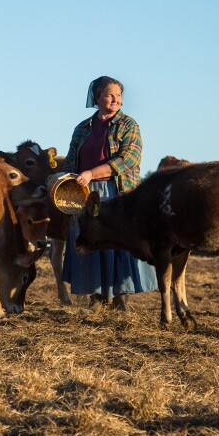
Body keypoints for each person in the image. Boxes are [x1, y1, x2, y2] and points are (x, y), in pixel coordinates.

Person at [62, 75, 157, 309]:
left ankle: (119, 301)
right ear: (97, 98)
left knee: (117, 240)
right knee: (89, 238)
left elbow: (128, 159)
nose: (116, 100)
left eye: (119, 96)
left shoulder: (128, 125)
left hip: (116, 192)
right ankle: (96, 297)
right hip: (85, 192)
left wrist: (92, 173)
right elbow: (71, 163)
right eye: (109, 95)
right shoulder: (82, 128)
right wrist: (66, 181)